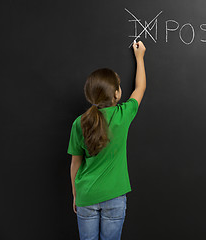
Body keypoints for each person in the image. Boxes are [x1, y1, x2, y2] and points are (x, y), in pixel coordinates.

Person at [67, 40, 146, 240]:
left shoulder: (79, 123)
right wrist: (140, 58)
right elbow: (140, 88)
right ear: (117, 94)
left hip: (86, 196)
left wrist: (75, 194)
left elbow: (75, 162)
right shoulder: (122, 115)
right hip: (114, 197)